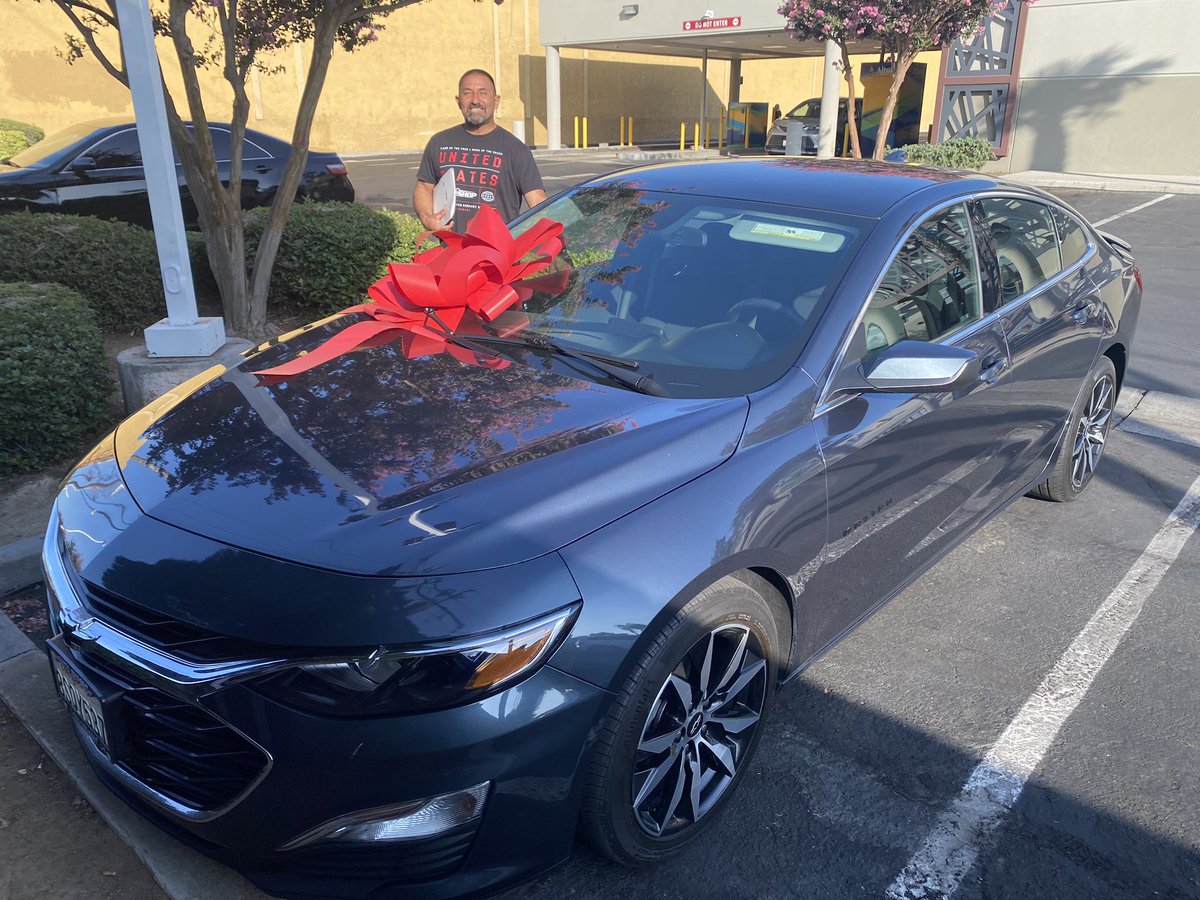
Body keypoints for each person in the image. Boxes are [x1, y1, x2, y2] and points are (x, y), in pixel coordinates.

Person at [414, 69, 546, 234]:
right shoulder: (440, 143)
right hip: (451, 252)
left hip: (498, 255)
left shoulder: (516, 150)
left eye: (483, 93)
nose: (475, 100)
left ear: (496, 101)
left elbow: (538, 202)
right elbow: (424, 188)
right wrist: (427, 217)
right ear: (458, 100)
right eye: (467, 93)